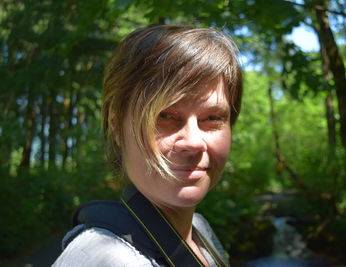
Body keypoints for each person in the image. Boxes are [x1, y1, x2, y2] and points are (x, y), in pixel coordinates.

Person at [53, 24, 242, 267]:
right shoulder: (102, 258)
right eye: (164, 116)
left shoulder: (201, 231)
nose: (194, 142)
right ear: (116, 126)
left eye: (213, 118)